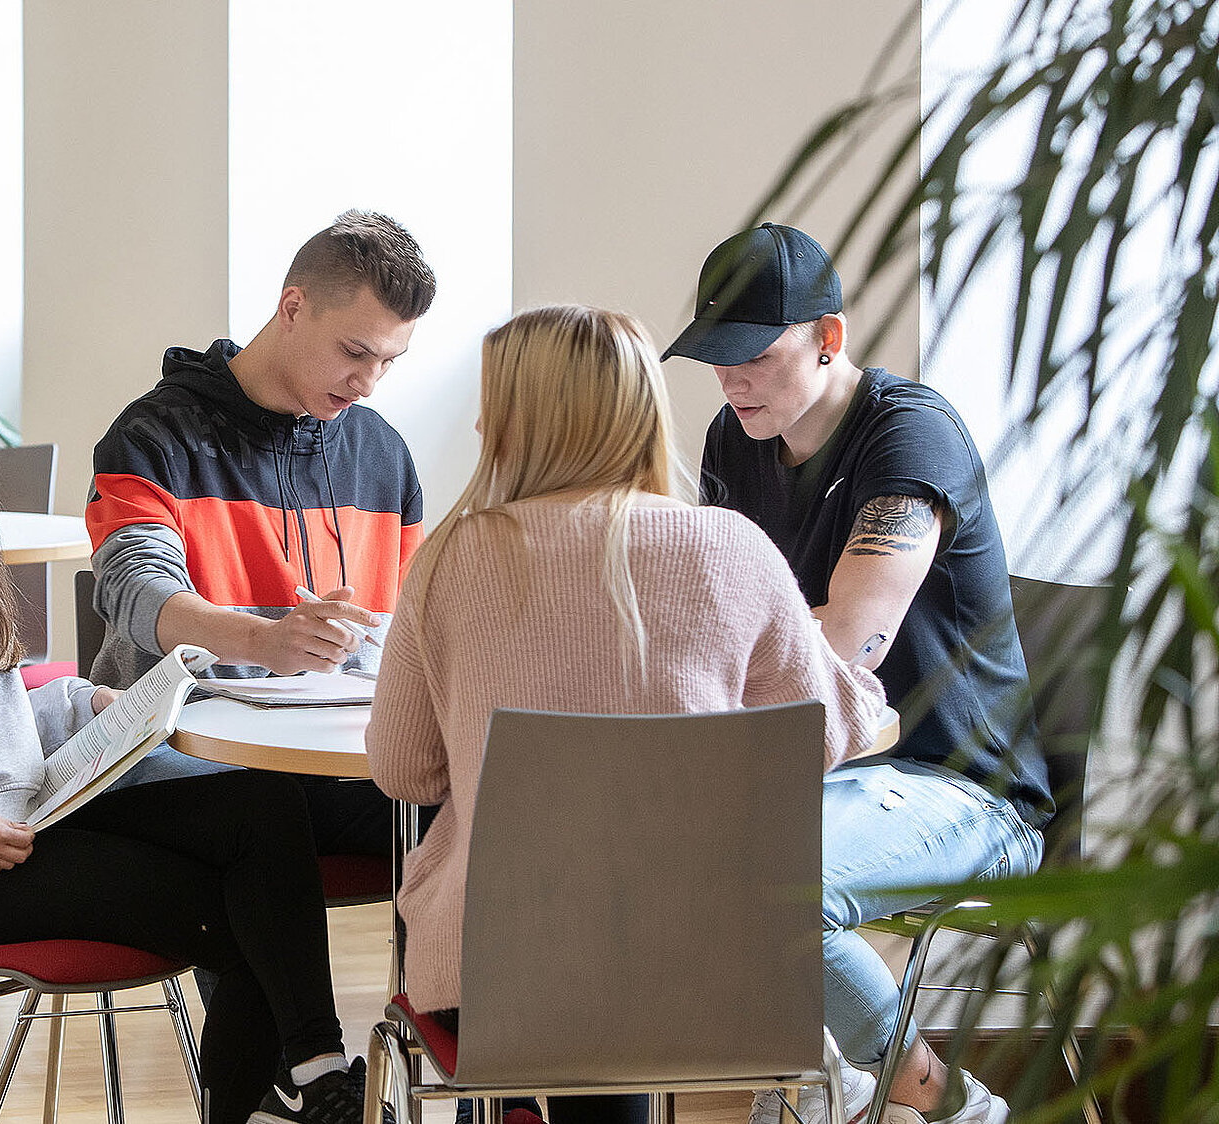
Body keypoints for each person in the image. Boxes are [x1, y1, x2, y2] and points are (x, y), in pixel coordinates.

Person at [0, 346, 371, 1124]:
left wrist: (86, 708)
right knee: (241, 916)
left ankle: (316, 1072)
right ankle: (297, 1089)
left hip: (25, 817)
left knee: (264, 809)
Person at [367, 304, 887, 1124]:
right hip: (707, 981)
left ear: (529, 420)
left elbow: (403, 770)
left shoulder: (452, 560)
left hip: (496, 985)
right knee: (632, 974)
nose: (474, 420)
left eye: (491, 402)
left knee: (576, 980)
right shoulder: (734, 548)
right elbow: (819, 736)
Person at [662, 223, 1052, 1124]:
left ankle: (946, 1104)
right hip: (836, 770)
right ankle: (821, 1084)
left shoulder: (910, 438)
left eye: (752, 356)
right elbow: (717, 616)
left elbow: (848, 641)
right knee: (680, 852)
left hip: (965, 785)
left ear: (827, 337)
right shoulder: (735, 440)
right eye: (714, 359)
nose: (730, 380)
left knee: (765, 880)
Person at [85, 208, 435, 852]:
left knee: (474, 803)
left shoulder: (383, 455)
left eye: (389, 361)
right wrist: (263, 642)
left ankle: (428, 960)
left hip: (332, 762)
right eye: (354, 353)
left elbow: (412, 629)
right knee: (265, 818)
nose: (368, 384)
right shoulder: (153, 438)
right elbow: (137, 593)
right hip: (179, 755)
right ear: (292, 306)